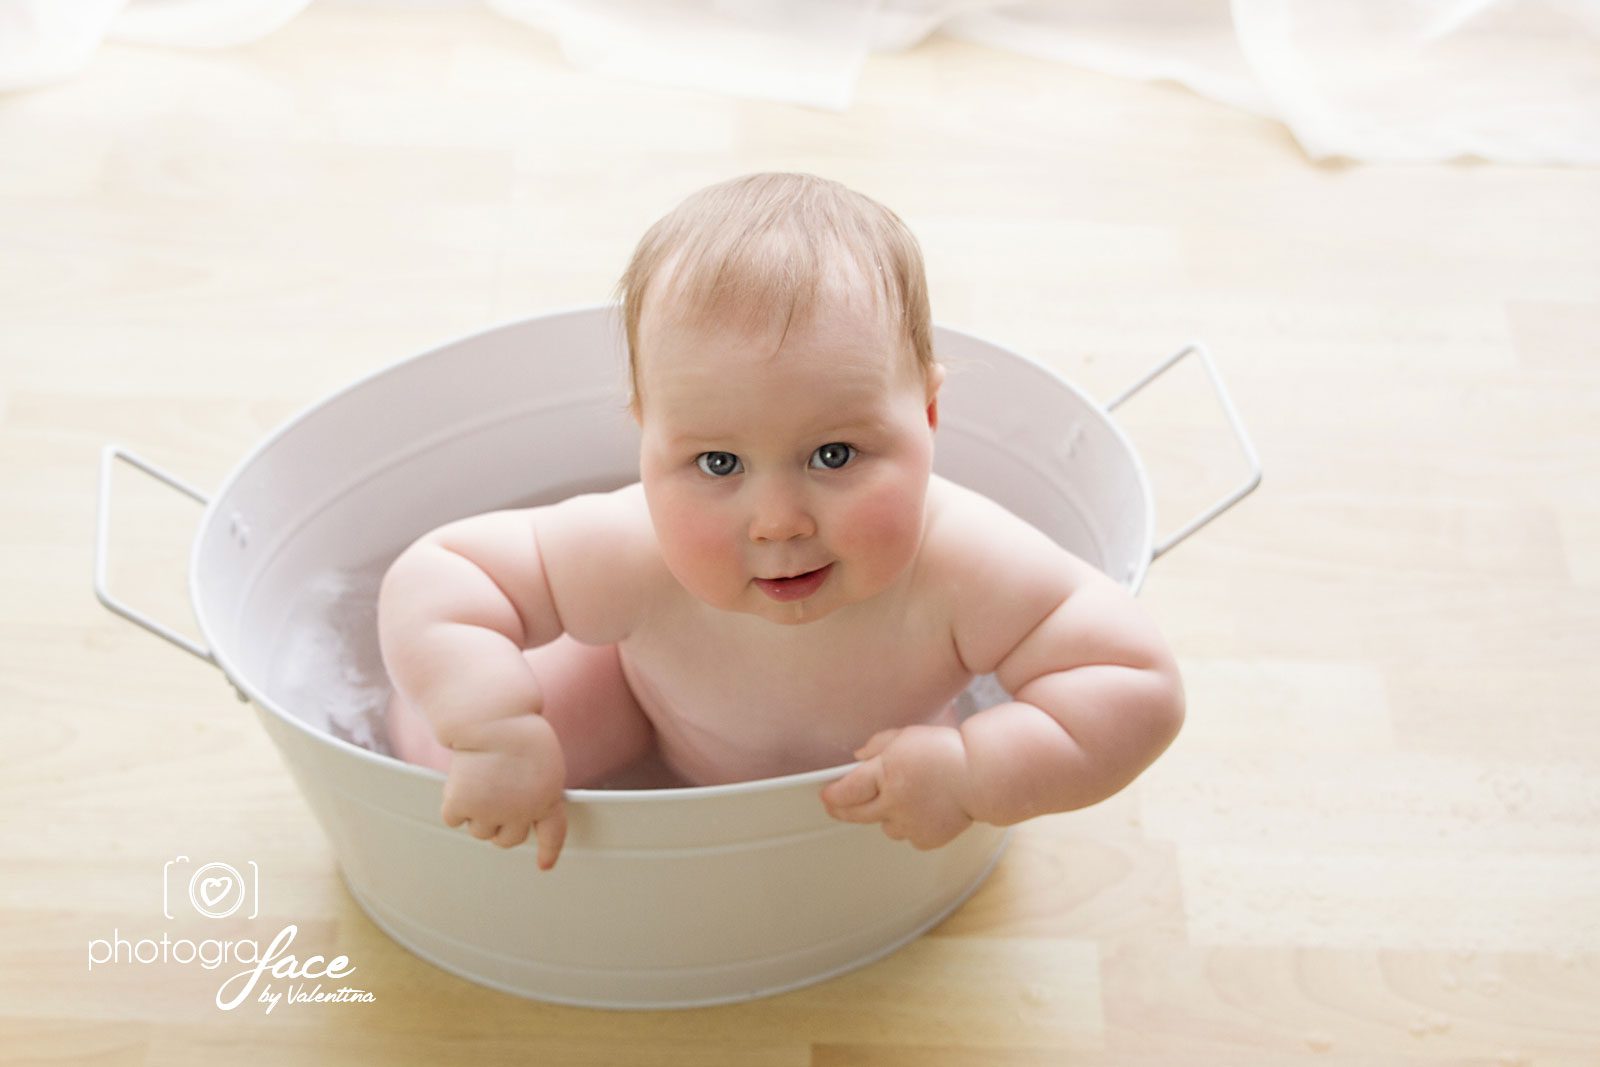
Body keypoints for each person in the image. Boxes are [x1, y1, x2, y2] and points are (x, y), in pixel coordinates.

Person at [377, 172, 1184, 871]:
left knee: (958, 767)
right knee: (437, 745)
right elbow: (443, 574)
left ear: (930, 415)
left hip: (878, 776)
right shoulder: (633, 549)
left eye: (834, 454)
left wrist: (975, 770)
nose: (777, 521)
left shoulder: (963, 565)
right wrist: (491, 725)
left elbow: (1135, 683)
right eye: (718, 464)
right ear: (644, 440)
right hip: (643, 709)